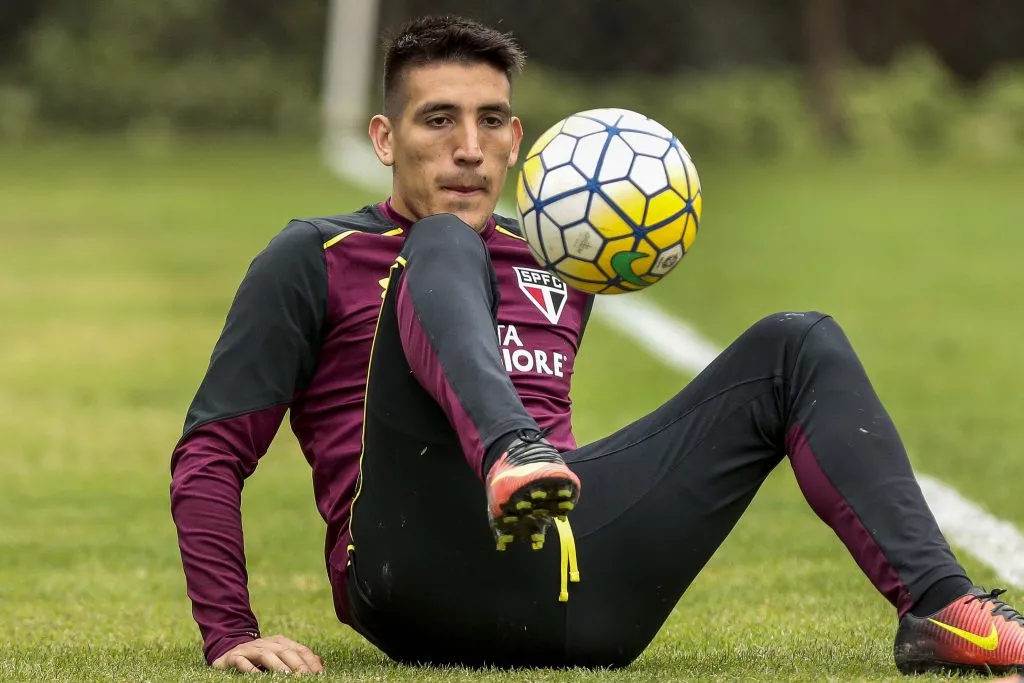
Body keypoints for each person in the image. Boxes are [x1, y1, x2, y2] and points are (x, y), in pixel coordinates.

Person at [169, 14, 1024, 677]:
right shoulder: (315, 256)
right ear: (385, 139)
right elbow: (210, 452)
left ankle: (943, 610)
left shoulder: (559, 252)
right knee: (440, 242)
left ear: (517, 138)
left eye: (490, 121)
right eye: (437, 120)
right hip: (412, 571)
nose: (467, 147)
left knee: (797, 344)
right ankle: (510, 451)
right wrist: (228, 632)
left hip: (583, 592)